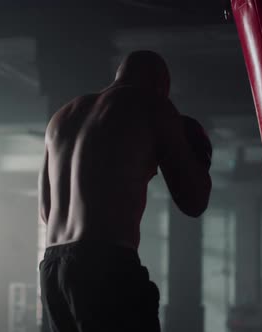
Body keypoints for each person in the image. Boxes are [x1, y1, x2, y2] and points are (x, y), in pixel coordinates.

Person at [38, 50, 212, 332]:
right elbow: (194, 202)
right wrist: (198, 156)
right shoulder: (153, 105)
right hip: (105, 267)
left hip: (53, 271)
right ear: (162, 85)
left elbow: (47, 213)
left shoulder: (60, 117)